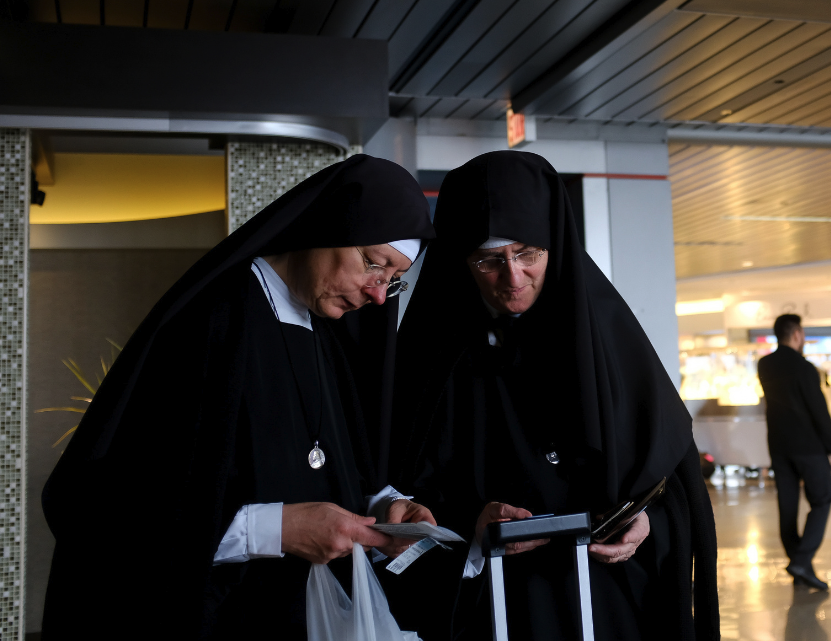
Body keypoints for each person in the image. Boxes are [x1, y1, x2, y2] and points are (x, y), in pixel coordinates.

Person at [40, 155, 437, 639]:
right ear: (332, 225)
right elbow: (116, 506)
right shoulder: (212, 322)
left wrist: (382, 509)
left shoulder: (328, 334)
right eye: (374, 264)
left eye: (393, 279)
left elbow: (325, 466)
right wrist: (277, 530)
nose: (378, 295)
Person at [391, 151, 719, 641]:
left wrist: (644, 522)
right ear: (460, 261)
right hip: (492, 604)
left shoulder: (609, 341)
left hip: (606, 597)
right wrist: (470, 524)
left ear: (556, 245)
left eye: (528, 253)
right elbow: (399, 500)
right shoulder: (427, 360)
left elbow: (671, 482)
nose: (513, 277)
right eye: (489, 260)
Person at [758, 314, 831, 591]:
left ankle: (799, 568)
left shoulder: (764, 365)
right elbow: (819, 411)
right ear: (796, 334)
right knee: (823, 498)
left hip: (779, 447)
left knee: (788, 508)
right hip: (808, 447)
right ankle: (802, 561)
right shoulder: (805, 368)